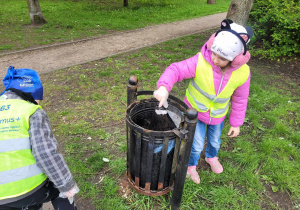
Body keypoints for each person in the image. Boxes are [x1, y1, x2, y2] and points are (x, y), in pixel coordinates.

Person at [153, 19, 253, 184]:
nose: (214, 59)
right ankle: (191, 165)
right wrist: (164, 87)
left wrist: (236, 123)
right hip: (195, 115)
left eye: (221, 58)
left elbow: (240, 99)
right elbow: (176, 69)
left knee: (215, 141)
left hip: (218, 116)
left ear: (235, 59)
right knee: (196, 144)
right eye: (213, 53)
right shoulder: (200, 61)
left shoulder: (242, 73)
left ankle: (212, 156)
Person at [0, 66, 79, 209]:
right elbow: (45, 154)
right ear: (31, 94)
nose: (39, 103)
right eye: (39, 98)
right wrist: (68, 185)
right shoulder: (31, 111)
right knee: (59, 187)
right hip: (24, 191)